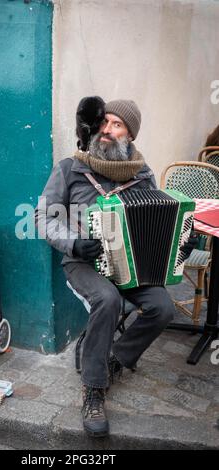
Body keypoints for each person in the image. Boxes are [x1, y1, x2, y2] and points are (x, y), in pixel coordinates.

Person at [36, 97, 197, 438]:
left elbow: (162, 220)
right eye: (104, 122)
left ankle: (115, 360)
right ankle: (93, 390)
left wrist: (181, 243)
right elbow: (42, 217)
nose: (107, 130)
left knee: (163, 307)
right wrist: (74, 242)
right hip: (83, 263)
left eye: (116, 124)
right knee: (107, 300)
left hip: (133, 268)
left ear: (130, 135)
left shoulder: (143, 173)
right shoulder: (70, 168)